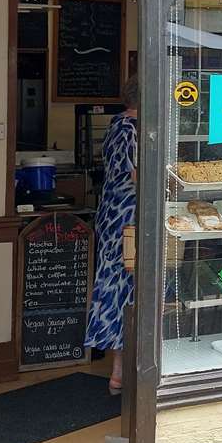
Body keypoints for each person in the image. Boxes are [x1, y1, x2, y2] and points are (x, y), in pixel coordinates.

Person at [86, 76, 138, 394]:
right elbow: (138, 175)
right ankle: (124, 373)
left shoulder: (115, 125)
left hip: (110, 216)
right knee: (127, 290)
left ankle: (119, 371)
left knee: (113, 287)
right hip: (128, 218)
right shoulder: (132, 130)